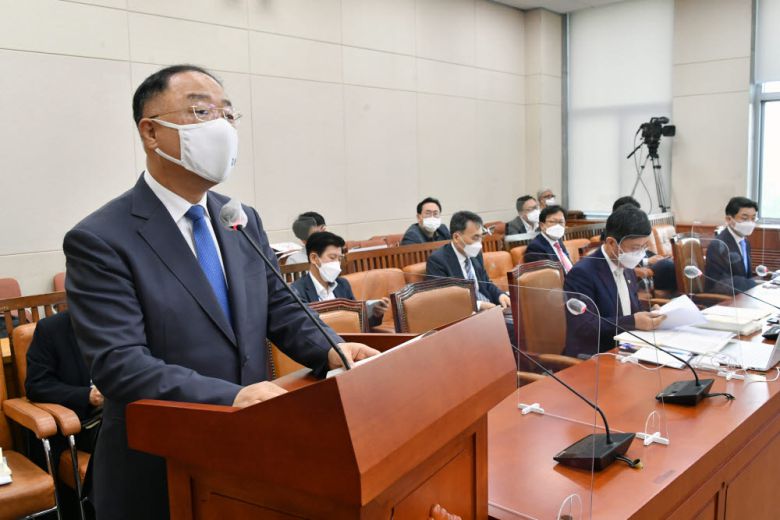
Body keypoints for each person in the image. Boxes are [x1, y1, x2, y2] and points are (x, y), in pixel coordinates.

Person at [63, 64, 378, 520]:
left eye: (228, 115)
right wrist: (230, 397)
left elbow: (280, 307)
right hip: (159, 466)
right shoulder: (101, 238)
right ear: (150, 132)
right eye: (201, 112)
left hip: (248, 453)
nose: (222, 127)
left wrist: (332, 349)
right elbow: (120, 364)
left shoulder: (239, 217)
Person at [564, 205, 666, 357]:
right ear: (611, 243)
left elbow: (631, 310)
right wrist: (633, 322)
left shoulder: (626, 265)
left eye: (643, 247)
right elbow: (584, 326)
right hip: (597, 354)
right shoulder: (582, 273)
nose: (639, 254)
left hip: (628, 347)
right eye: (635, 248)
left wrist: (650, 314)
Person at [25, 311, 102, 482]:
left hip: (127, 411)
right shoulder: (51, 329)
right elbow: (37, 385)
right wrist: (88, 396)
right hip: (85, 422)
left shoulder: (127, 322)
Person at [292, 231, 389, 327]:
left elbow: (358, 320)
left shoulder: (342, 284)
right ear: (314, 258)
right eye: (332, 257)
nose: (337, 264)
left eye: (339, 259)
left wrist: (374, 314)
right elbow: (303, 328)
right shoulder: (297, 291)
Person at [426, 211, 511, 310]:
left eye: (481, 237)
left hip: (490, 308)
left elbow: (486, 283)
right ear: (456, 237)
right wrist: (479, 305)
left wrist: (500, 295)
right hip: (464, 313)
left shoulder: (476, 254)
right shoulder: (437, 261)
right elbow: (444, 299)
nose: (479, 244)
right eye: (475, 237)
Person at [610, 196, 676, 291]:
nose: (638, 218)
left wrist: (659, 257)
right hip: (640, 269)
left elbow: (643, 251)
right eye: (634, 214)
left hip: (649, 263)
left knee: (671, 263)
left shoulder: (637, 232)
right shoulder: (613, 235)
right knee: (667, 266)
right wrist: (647, 261)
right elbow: (618, 260)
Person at [705, 197, 759, 294]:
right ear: (729, 219)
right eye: (744, 218)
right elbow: (720, 282)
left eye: (753, 218)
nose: (750, 223)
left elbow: (746, 275)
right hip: (726, 298)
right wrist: (753, 286)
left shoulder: (745, 242)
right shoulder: (718, 245)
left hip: (744, 294)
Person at [523, 205, 573, 273]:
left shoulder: (558, 241)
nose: (558, 226)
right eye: (553, 222)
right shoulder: (535, 247)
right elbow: (545, 276)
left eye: (561, 222)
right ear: (542, 225)